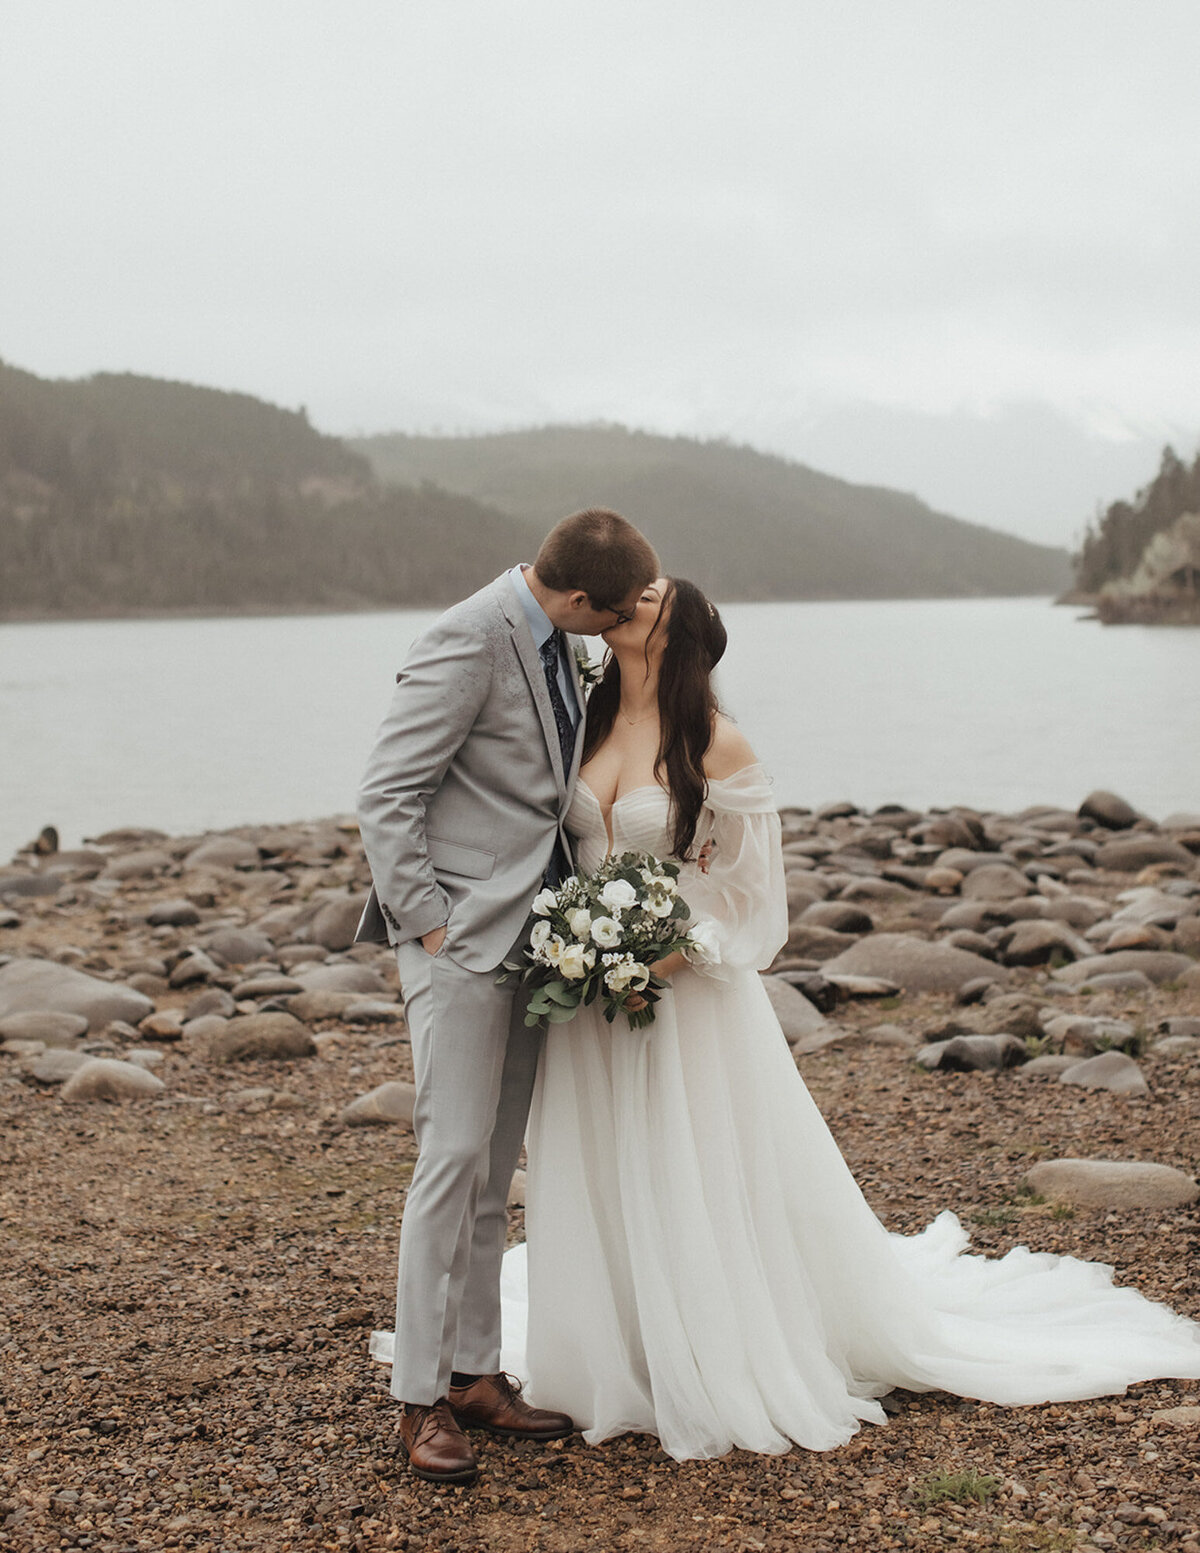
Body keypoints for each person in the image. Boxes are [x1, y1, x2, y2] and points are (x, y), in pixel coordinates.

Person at [497, 576, 1200, 1463]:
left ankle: (711, 1347)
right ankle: (618, 1340)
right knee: (608, 1159)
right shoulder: (586, 724)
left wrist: (653, 961)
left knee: (690, 1163)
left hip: (678, 999)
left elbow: (754, 907)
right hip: (591, 1000)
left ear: (679, 636)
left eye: (652, 596)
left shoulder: (714, 740)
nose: (632, 595)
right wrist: (577, 952)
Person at [356, 509, 660, 1483]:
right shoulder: (465, 636)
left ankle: (477, 1370)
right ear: (575, 599)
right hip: (461, 944)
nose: (608, 633)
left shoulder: (552, 640)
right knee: (448, 1163)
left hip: (535, 945)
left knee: (495, 1172)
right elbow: (388, 791)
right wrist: (429, 923)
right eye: (605, 617)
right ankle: (418, 1400)